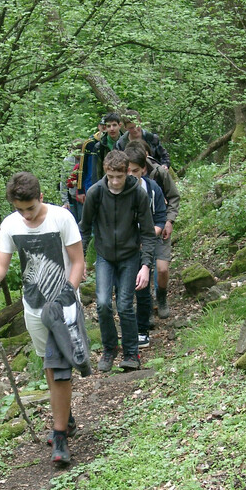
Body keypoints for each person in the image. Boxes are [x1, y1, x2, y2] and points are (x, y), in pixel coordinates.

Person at [0, 172, 85, 465]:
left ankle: (59, 436)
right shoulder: (11, 225)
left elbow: (78, 262)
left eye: (31, 208)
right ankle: (66, 417)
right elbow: (1, 266)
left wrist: (67, 295)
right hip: (33, 307)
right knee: (49, 365)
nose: (26, 215)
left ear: (41, 198)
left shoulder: (62, 218)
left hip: (62, 306)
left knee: (59, 367)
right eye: (20, 209)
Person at [79, 150, 156, 371]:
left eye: (119, 177)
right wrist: (80, 259)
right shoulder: (95, 192)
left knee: (124, 305)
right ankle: (109, 349)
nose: (114, 181)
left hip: (130, 255)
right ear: (106, 172)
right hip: (104, 256)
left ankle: (131, 353)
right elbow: (84, 228)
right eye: (111, 176)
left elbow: (148, 233)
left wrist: (145, 265)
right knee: (103, 304)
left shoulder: (137, 194)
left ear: (127, 173)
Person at [125, 140, 181, 320]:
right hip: (136, 236)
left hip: (159, 228)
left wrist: (169, 221)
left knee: (162, 269)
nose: (131, 174)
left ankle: (161, 298)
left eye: (135, 170)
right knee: (143, 270)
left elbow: (172, 199)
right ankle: (146, 305)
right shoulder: (121, 185)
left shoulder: (158, 176)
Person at [126, 149, 167, 347]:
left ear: (143, 169)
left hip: (147, 241)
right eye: (127, 171)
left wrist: (148, 237)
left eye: (135, 171)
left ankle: (143, 327)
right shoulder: (117, 189)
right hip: (125, 244)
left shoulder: (152, 189)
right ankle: (128, 325)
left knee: (142, 284)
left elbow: (160, 218)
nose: (131, 175)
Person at [92, 112, 123, 183]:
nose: (112, 129)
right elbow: (96, 172)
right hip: (106, 183)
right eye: (109, 126)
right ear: (105, 128)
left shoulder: (126, 143)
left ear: (119, 125)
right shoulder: (99, 146)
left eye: (114, 125)